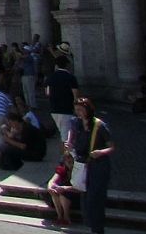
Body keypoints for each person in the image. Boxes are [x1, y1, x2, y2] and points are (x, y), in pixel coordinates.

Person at [66, 97, 114, 234]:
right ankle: (91, 225)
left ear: (88, 109)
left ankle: (98, 229)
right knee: (85, 198)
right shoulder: (76, 123)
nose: (79, 113)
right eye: (76, 110)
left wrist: (101, 152)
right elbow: (71, 131)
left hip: (99, 165)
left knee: (95, 197)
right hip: (83, 164)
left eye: (81, 110)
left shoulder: (99, 125)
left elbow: (111, 147)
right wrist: (69, 142)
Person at [46, 56, 80, 148]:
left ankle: (66, 158)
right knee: (66, 138)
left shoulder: (50, 77)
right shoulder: (71, 77)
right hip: (66, 109)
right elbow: (75, 95)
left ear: (56, 65)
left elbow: (48, 93)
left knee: (63, 134)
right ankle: (66, 159)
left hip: (54, 109)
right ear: (67, 65)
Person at [47, 151, 78, 227]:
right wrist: (50, 187)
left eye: (72, 162)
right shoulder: (62, 169)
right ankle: (59, 216)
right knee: (55, 192)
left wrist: (65, 188)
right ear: (65, 162)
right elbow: (52, 180)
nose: (71, 164)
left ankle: (66, 217)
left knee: (63, 193)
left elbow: (80, 188)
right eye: (69, 162)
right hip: (63, 194)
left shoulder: (79, 171)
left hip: (76, 195)